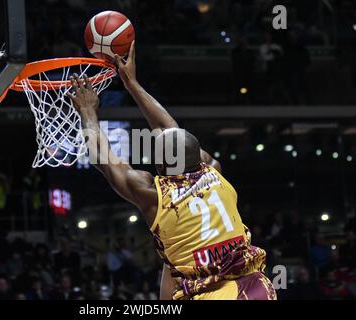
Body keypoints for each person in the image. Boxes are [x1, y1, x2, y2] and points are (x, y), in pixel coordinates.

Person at [66, 41, 276, 300]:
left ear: (162, 165)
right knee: (169, 270)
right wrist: (131, 83)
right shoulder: (214, 170)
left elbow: (102, 159)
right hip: (257, 288)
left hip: (215, 295)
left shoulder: (155, 195)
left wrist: (87, 111)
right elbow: (171, 132)